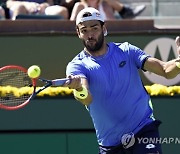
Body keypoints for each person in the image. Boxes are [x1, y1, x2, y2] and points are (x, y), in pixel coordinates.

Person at [64, 7, 180, 154]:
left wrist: (178, 63)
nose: (90, 35)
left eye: (94, 28)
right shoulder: (76, 65)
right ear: (78, 33)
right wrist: (79, 89)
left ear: (103, 28)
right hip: (111, 145)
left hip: (143, 130)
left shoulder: (127, 50)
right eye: (84, 30)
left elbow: (165, 71)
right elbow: (86, 98)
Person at [65, 0, 146, 20]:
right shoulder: (79, 6)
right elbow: (71, 27)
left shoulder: (105, 5)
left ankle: (126, 11)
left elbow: (112, 25)